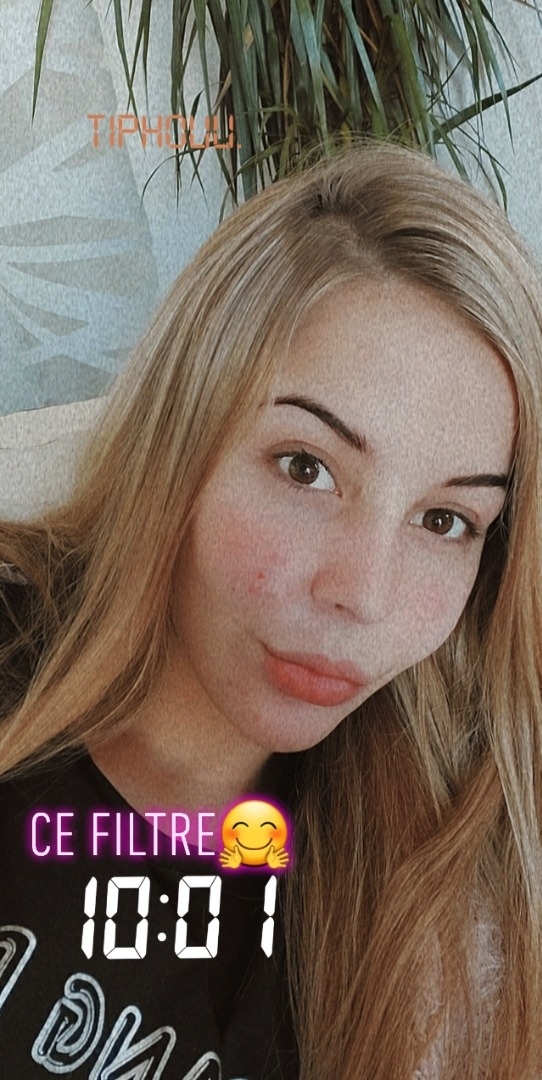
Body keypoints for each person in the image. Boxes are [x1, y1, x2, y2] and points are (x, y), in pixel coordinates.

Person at [0, 140, 541, 1080]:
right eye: (306, 468)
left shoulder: (423, 913)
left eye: (445, 520)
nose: (363, 595)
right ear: (186, 433)